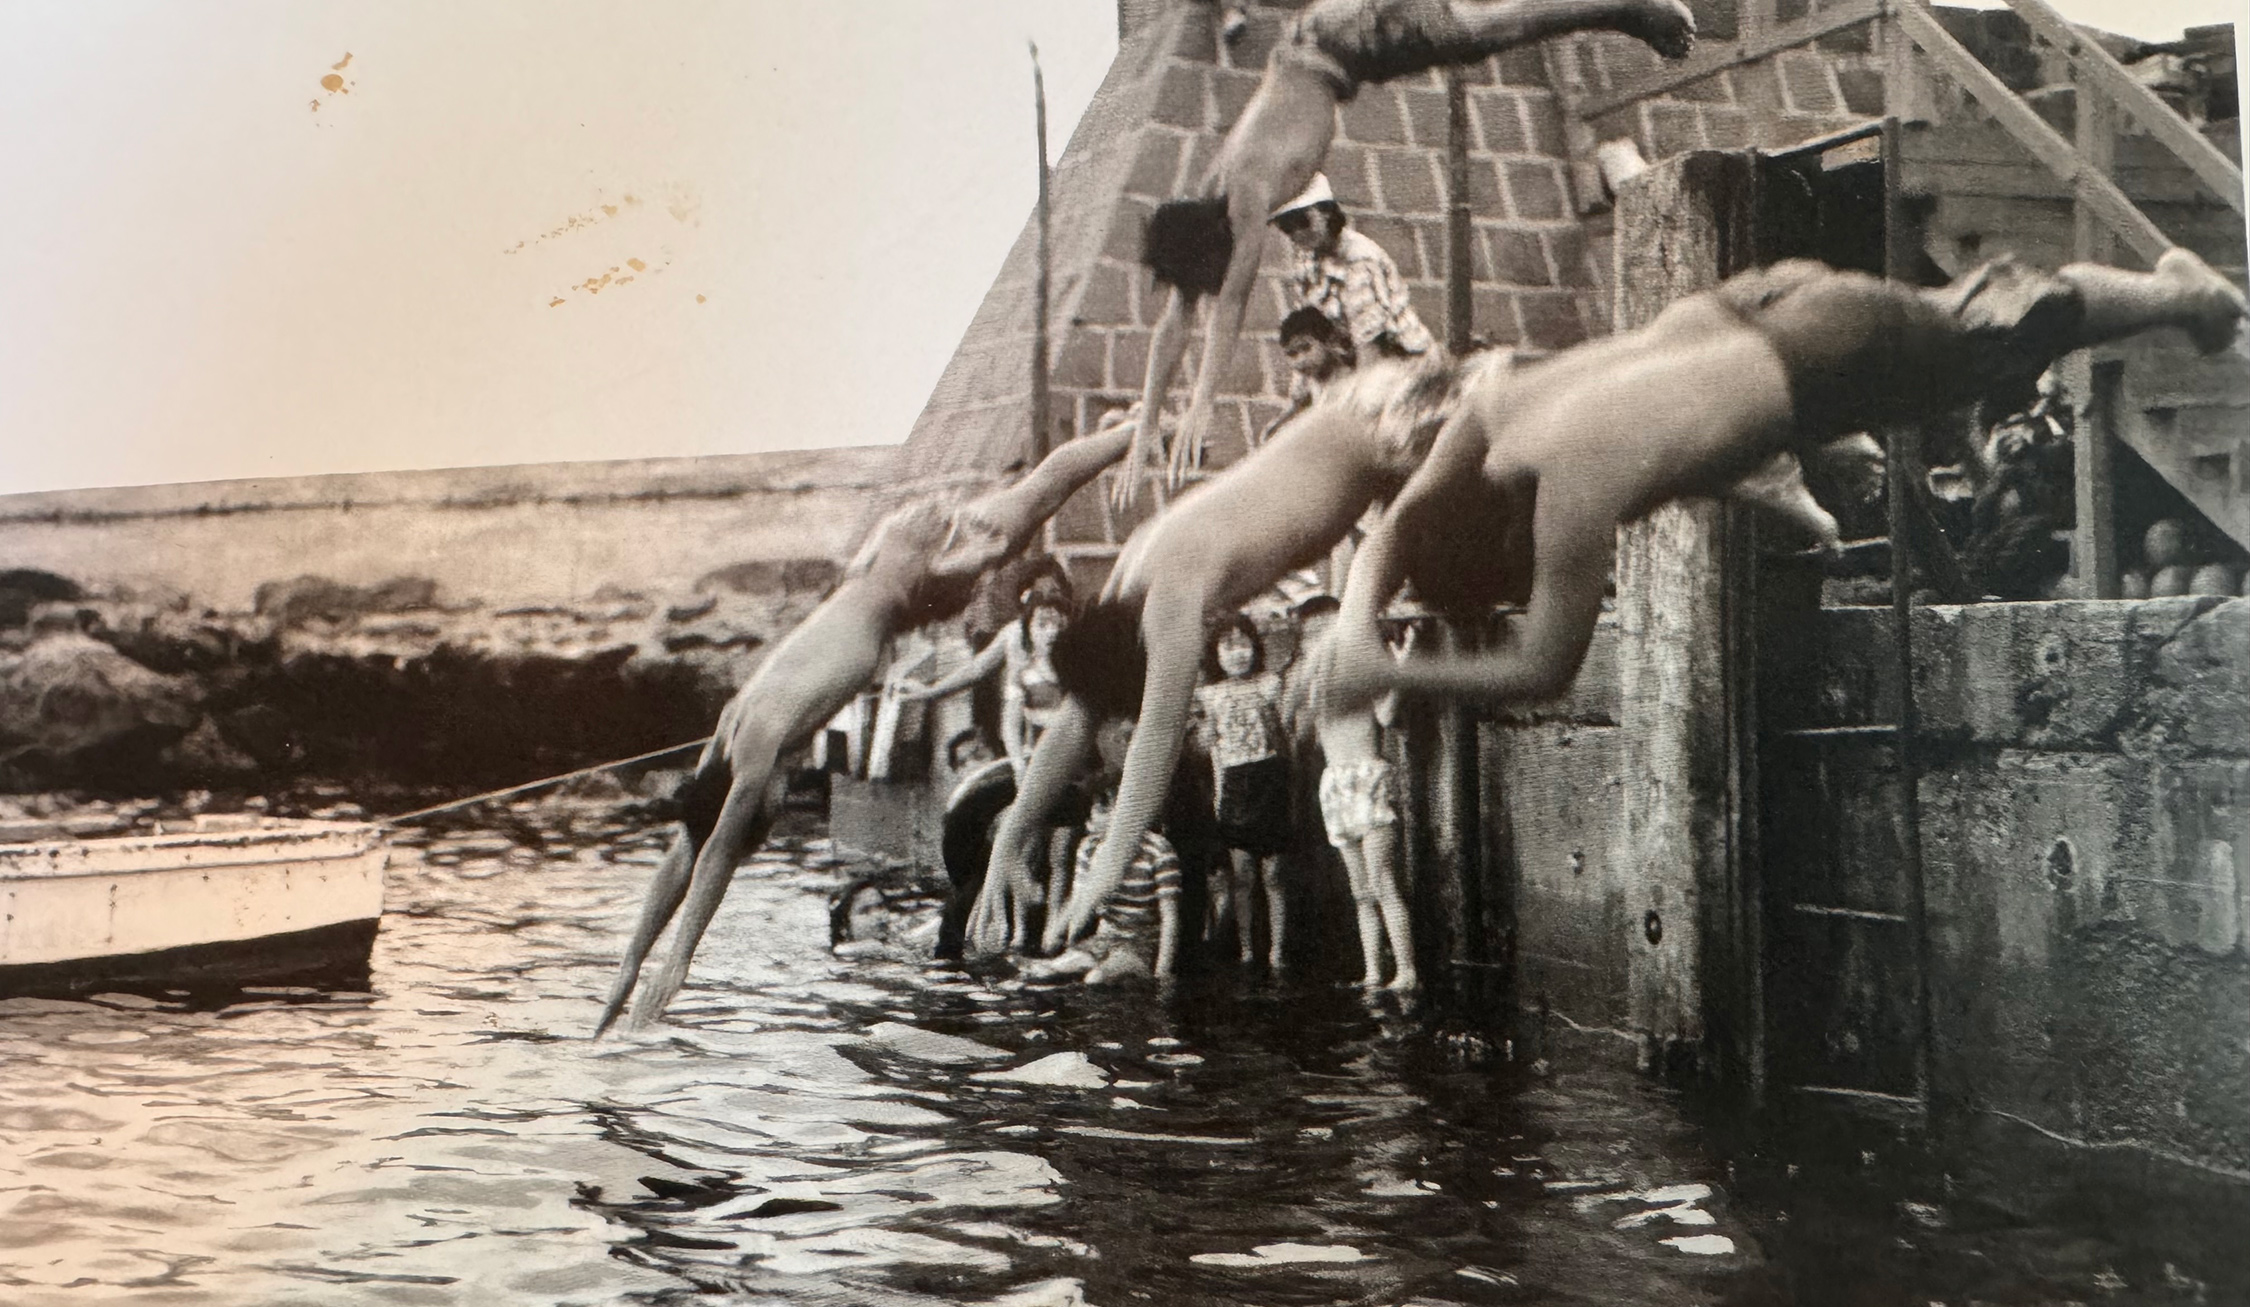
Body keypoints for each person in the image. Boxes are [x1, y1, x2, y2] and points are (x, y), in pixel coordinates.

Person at [967, 346, 1840, 958]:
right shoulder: (1126, 579)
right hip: (1368, 418)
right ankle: (1756, 451)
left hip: (1395, 426)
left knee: (1576, 446)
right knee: (1566, 457)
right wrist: (1012, 835)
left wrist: (1105, 871)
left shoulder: (1166, 603)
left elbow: (1154, 736)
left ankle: (1763, 449)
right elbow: (1076, 718)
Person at [1321, 250, 2249, 713]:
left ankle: (2182, 295)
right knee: (1971, 318)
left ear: (1507, 548)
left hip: (1814, 357)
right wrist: (1357, 624)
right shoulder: (1494, 409)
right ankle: (1788, 472)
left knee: (2006, 322)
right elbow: (1398, 525)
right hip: (1752, 305)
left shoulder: (1570, 493)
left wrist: (1388, 675)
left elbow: (1545, 668)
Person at [594, 413, 1138, 1035]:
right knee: (1036, 493)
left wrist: (678, 964)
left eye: (768, 809)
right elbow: (689, 847)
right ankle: (1118, 432)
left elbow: (716, 851)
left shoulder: (755, 751)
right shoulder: (731, 726)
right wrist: (629, 967)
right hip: (883, 565)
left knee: (1038, 495)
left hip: (922, 572)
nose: (782, 795)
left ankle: (1132, 432)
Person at [1121, 0, 1696, 503]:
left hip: (1354, 34)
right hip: (1335, 40)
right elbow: (1176, 320)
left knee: (1479, 32)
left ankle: (1627, 7)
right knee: (1473, 31)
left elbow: (1230, 308)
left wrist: (1201, 404)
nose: (1208, 287)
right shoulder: (1208, 194)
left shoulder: (1241, 194)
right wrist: (1147, 421)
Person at [1300, 604, 1418, 992]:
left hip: (1367, 779)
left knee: (1382, 881)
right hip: (1336, 786)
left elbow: (1385, 717)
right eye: (1312, 635)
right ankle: (1372, 972)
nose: (1321, 642)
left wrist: (1400, 666)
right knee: (1360, 891)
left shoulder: (1366, 673)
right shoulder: (1317, 684)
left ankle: (1407, 971)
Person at [1024, 714, 1184, 985]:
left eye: (1103, 809)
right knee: (1047, 971)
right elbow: (1080, 898)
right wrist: (1064, 937)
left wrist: (1163, 972)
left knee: (1096, 979)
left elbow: (1170, 917)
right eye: (1094, 809)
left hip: (1141, 942)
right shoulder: (1089, 848)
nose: (1093, 818)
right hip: (1105, 938)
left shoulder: (1157, 849)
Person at [1192, 613, 1292, 971]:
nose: (1238, 653)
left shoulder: (1270, 685)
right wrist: (1218, 796)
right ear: (1215, 653)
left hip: (1270, 778)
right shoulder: (1209, 695)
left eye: (1244, 644)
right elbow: (1210, 749)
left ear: (1255, 647)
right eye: (1228, 646)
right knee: (1242, 873)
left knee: (1275, 873)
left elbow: (1286, 736)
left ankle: (1278, 950)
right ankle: (1248, 950)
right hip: (1234, 782)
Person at [901, 577, 1072, 779]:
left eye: (1054, 592)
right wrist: (930, 691)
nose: (1051, 631)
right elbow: (977, 669)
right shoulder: (1016, 635)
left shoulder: (1072, 640)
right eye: (1042, 624)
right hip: (1029, 730)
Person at [1275, 175, 1434, 364]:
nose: (1297, 233)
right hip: (1351, 360)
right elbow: (1306, 331)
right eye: (1286, 227)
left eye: (1302, 221)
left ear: (1326, 211)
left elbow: (1371, 344)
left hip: (1401, 362)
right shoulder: (1307, 259)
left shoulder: (1360, 260)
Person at [1262, 307, 1360, 442]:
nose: (1301, 360)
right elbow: (1293, 409)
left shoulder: (1347, 379)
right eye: (1292, 354)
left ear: (1329, 342)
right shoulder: (1306, 383)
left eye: (1306, 348)